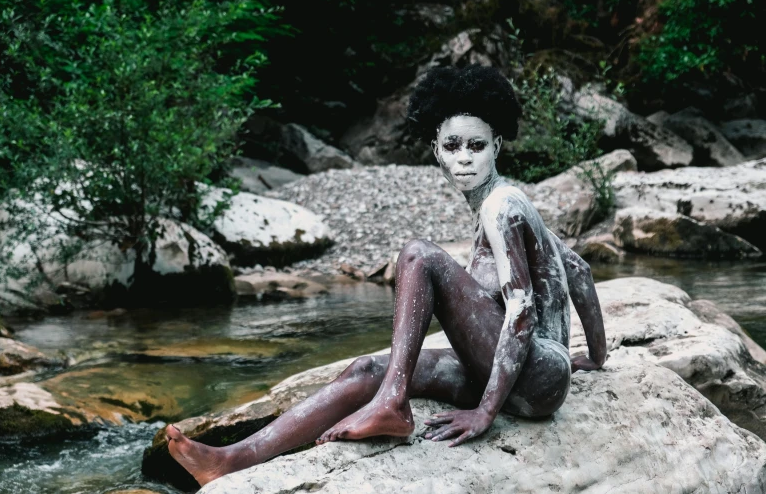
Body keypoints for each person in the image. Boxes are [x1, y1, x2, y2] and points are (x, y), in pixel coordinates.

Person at [165, 64, 608, 487]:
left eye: (476, 146)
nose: (464, 159)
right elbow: (579, 270)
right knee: (366, 367)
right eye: (452, 146)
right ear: (435, 150)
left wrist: (485, 413)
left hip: (536, 380)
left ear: (497, 147)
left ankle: (393, 402)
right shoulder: (507, 203)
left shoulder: (501, 206)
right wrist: (596, 356)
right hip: (516, 371)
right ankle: (232, 460)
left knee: (418, 255)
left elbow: (523, 311)